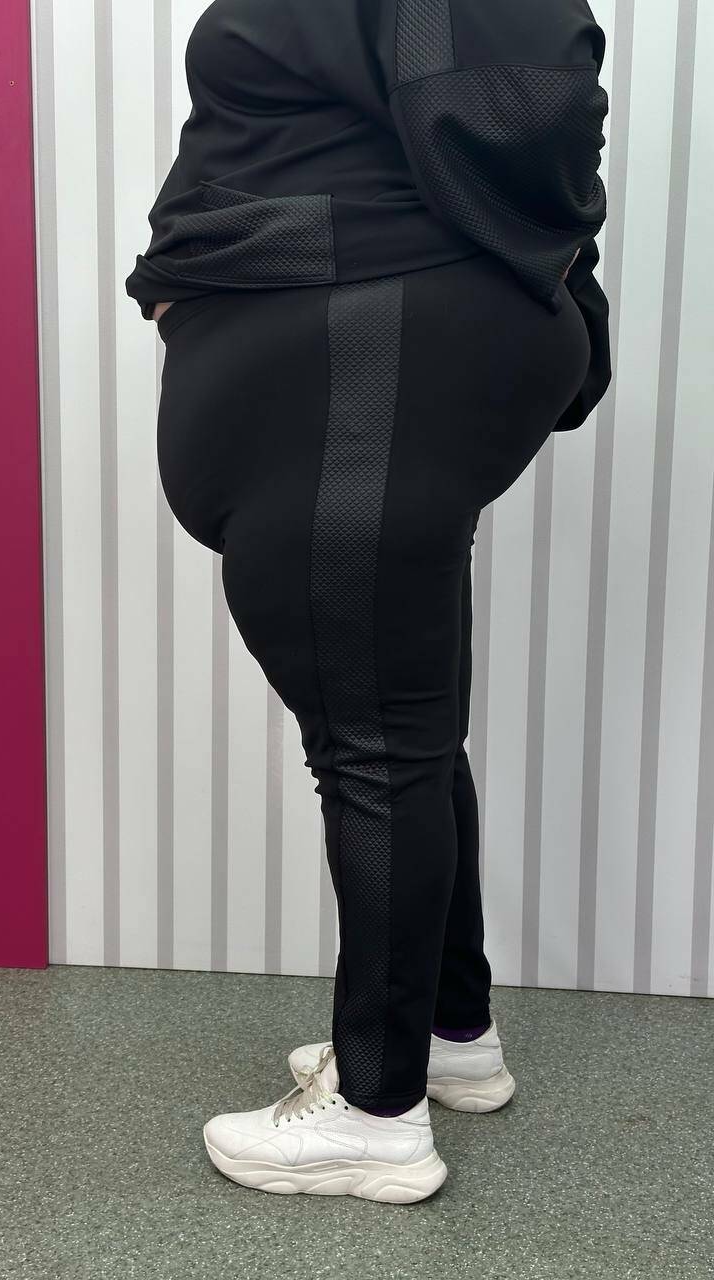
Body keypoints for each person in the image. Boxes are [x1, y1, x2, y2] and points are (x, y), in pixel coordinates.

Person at [125, 0, 611, 1204]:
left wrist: (554, 272)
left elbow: (524, 102)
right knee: (405, 729)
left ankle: (377, 1113)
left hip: (369, 328)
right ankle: (450, 1035)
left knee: (376, 748)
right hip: (365, 335)